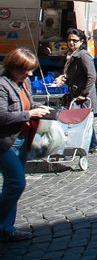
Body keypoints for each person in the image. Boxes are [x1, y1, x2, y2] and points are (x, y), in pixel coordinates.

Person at [0, 48, 50, 242]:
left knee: (12, 186)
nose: (30, 73)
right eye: (26, 70)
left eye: (31, 70)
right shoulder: (2, 85)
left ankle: (7, 229)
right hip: (5, 143)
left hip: (22, 140)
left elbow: (27, 104)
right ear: (14, 67)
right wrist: (29, 115)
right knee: (16, 183)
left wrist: (39, 108)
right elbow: (2, 115)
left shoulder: (23, 83)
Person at [54, 29, 97, 153]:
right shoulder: (71, 54)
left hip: (84, 94)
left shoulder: (83, 55)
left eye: (75, 40)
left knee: (84, 119)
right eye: (69, 40)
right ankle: (91, 145)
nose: (71, 43)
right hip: (75, 92)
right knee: (82, 119)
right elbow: (71, 73)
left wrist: (84, 94)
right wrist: (63, 77)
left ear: (81, 41)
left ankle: (91, 145)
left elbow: (92, 76)